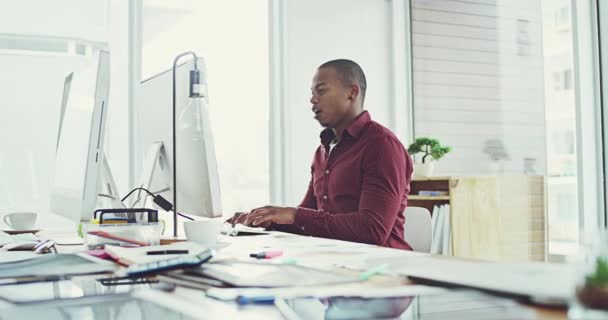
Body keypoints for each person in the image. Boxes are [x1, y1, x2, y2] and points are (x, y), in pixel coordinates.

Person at [229, 59, 413, 250]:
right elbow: (308, 220)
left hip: (383, 268)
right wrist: (266, 219)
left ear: (352, 92)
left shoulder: (381, 145)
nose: (313, 99)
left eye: (321, 90)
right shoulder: (323, 151)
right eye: (312, 93)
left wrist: (294, 214)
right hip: (336, 260)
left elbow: (372, 229)